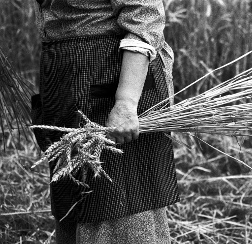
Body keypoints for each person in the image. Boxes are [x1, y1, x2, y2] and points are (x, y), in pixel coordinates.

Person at [31, 0, 179, 243]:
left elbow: (144, 13)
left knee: (119, 208)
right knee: (78, 202)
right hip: (69, 76)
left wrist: (125, 103)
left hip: (112, 79)